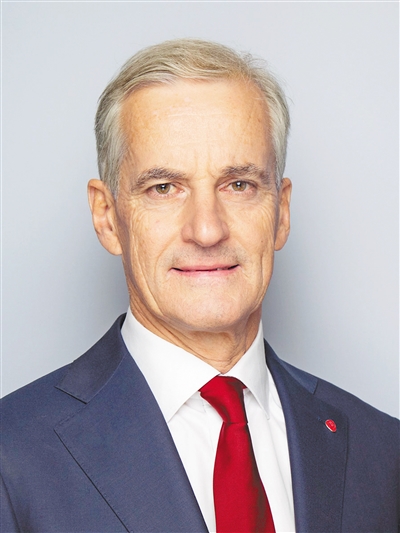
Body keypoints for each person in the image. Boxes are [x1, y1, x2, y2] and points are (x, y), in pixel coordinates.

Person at [1, 39, 398, 533]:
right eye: (164, 188)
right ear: (107, 217)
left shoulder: (383, 452)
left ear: (281, 212)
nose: (207, 230)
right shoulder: (13, 454)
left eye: (239, 185)